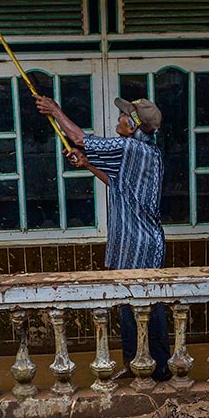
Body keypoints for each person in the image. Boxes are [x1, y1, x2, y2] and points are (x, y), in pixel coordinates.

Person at [35, 93, 172, 381]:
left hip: (139, 246)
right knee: (134, 310)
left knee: (146, 311)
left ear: (132, 126)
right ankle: (141, 365)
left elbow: (81, 139)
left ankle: (156, 368)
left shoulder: (131, 149)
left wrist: (55, 110)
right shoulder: (146, 152)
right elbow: (116, 182)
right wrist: (86, 165)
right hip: (137, 245)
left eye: (124, 116)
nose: (118, 119)